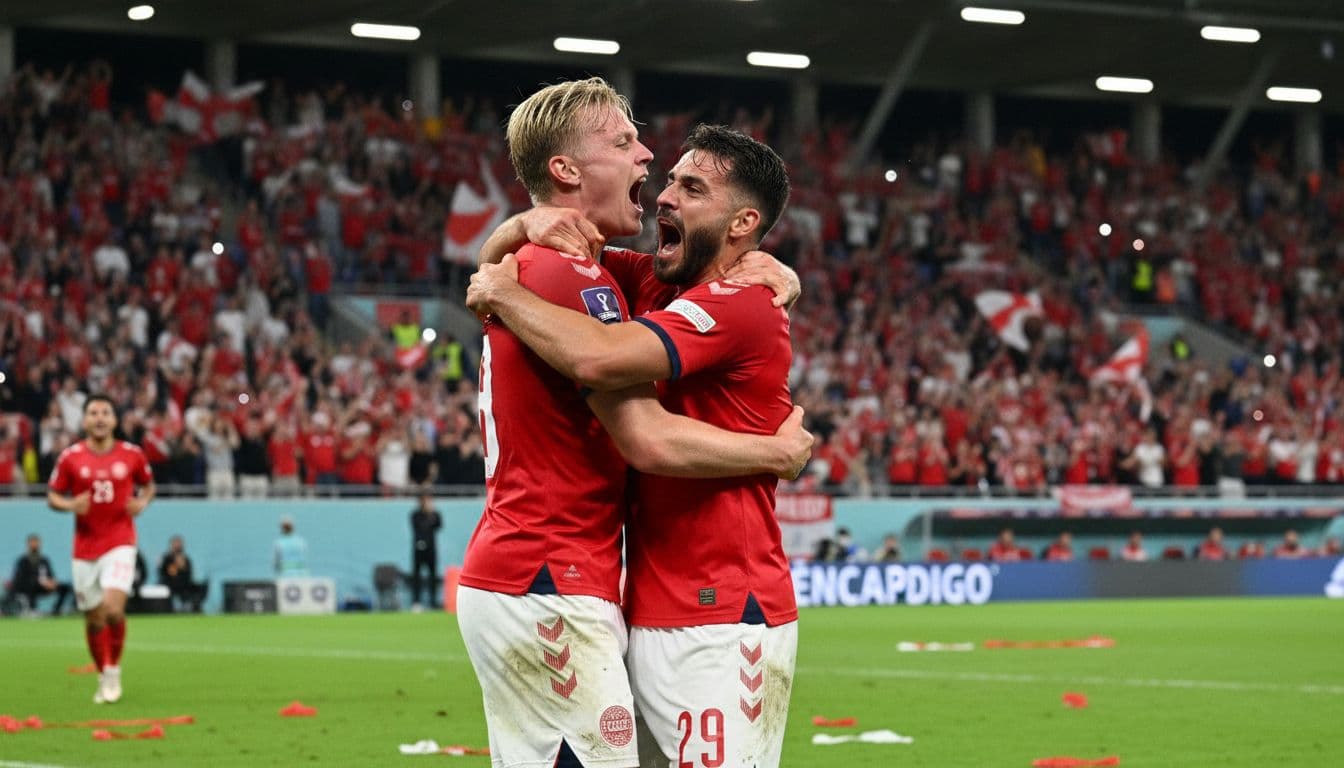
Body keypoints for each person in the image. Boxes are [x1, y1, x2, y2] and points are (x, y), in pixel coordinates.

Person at [458, 80, 810, 768]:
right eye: (624, 143)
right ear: (566, 170)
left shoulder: (622, 278)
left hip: (617, 584)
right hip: (548, 573)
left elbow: (534, 281)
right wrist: (773, 451)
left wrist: (504, 252)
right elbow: (636, 424)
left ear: (741, 223)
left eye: (690, 186)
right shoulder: (574, 276)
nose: (649, 163)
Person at [47, 395, 156, 704]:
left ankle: (114, 670)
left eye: (105, 412)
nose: (99, 417)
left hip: (120, 541)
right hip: (84, 548)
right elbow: (53, 496)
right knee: (93, 619)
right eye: (93, 412)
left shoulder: (132, 455)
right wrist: (70, 504)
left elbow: (149, 485)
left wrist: (143, 502)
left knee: (113, 609)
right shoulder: (71, 457)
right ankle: (103, 672)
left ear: (114, 420)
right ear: (84, 420)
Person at [9, 534, 73, 616]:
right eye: (32, 542)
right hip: (27, 587)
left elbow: (51, 574)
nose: (35, 544)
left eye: (36, 542)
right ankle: (32, 609)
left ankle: (56, 610)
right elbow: (20, 579)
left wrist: (52, 582)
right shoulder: (23, 561)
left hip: (43, 586)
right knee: (31, 584)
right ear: (28, 544)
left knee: (65, 587)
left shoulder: (44, 560)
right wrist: (41, 582)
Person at [409, 493, 442, 609]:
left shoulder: (435, 514)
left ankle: (433, 601)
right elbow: (419, 527)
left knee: (432, 576)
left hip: (431, 550)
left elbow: (438, 525)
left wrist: (431, 513)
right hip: (418, 549)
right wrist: (428, 518)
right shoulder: (415, 515)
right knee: (416, 576)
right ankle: (416, 602)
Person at [157, 535, 204, 612]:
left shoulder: (186, 559)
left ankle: (192, 607)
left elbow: (189, 575)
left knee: (196, 587)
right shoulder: (166, 558)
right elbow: (162, 573)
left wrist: (183, 568)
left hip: (183, 585)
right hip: (169, 584)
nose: (177, 546)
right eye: (175, 543)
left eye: (179, 543)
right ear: (171, 545)